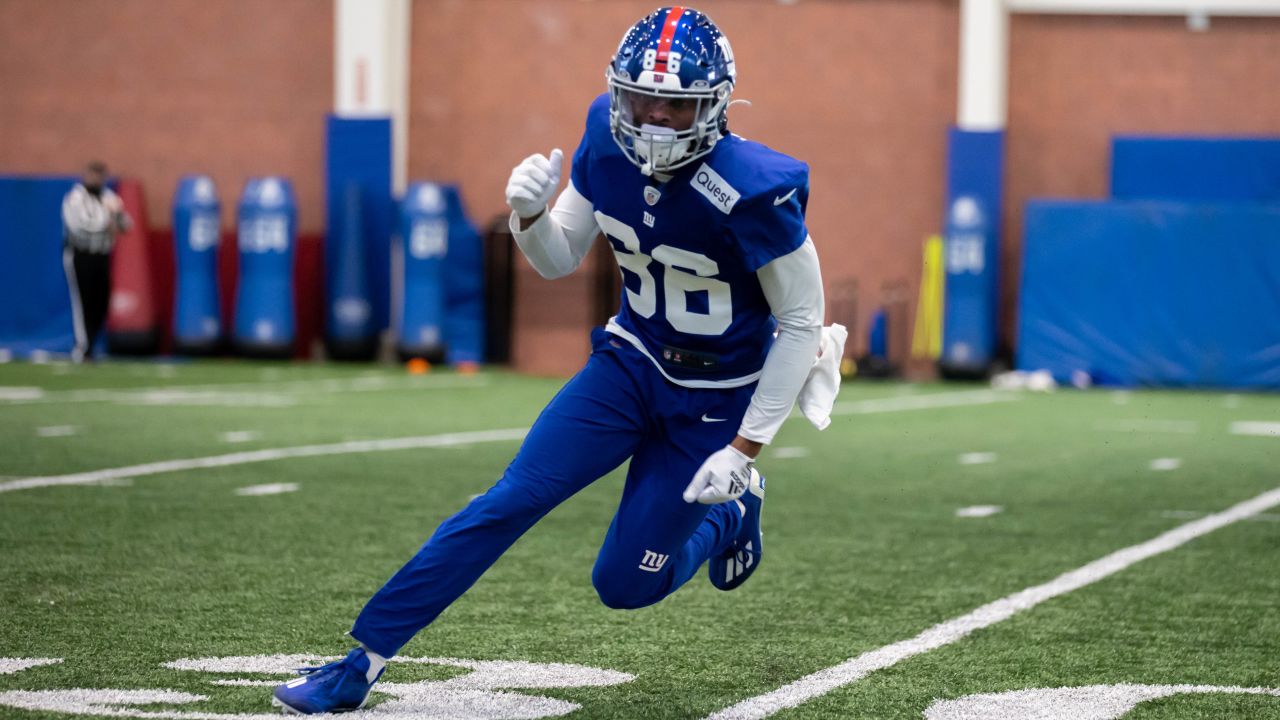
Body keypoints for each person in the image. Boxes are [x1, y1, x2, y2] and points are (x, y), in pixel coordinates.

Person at [273, 7, 836, 714]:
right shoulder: (605, 132)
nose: (656, 120)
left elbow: (801, 322)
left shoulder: (756, 187)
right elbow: (558, 257)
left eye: (676, 104)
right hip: (628, 366)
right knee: (510, 499)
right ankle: (364, 660)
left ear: (715, 105)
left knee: (624, 586)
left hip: (715, 396)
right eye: (642, 98)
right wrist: (530, 219)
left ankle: (730, 513)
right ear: (617, 91)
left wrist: (745, 449)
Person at [62, 161, 131, 362]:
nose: (96, 180)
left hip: (102, 255)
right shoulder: (75, 198)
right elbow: (79, 226)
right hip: (81, 254)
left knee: (101, 301)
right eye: (93, 175)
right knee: (83, 301)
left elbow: (126, 225)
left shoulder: (109, 198)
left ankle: (92, 344)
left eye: (100, 176)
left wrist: (116, 215)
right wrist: (106, 222)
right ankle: (84, 348)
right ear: (85, 175)